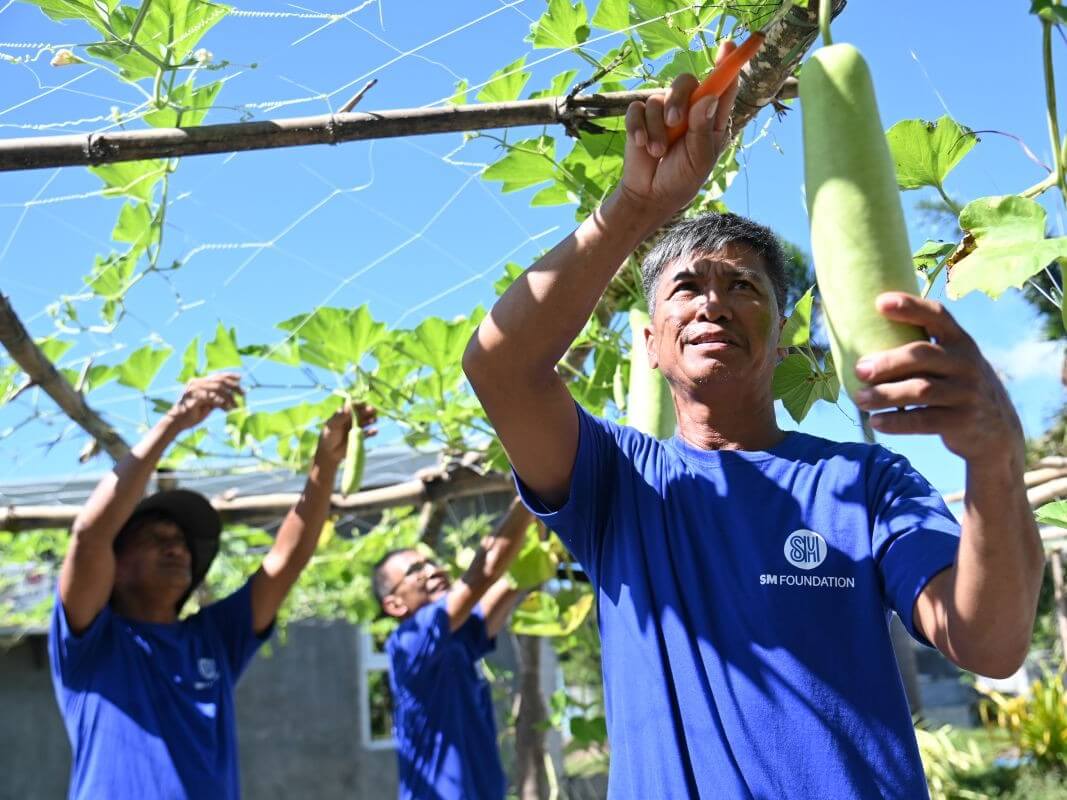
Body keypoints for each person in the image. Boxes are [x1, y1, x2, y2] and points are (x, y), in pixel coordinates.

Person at [461, 44, 1045, 800]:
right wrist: (636, 207)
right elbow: (497, 367)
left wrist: (993, 462)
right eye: (685, 286)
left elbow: (989, 643)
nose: (712, 301)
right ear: (646, 342)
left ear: (785, 335)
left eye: (742, 286)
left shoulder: (863, 481)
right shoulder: (617, 483)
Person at [49, 372, 376, 800]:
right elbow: (90, 535)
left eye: (182, 542)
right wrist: (175, 422)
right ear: (114, 562)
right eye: (156, 538)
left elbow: (284, 562)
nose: (177, 549)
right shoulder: (89, 642)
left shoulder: (213, 639)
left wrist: (326, 463)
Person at [373, 497, 533, 800]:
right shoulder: (410, 641)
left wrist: (544, 528)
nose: (433, 570)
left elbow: (514, 578)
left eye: (431, 562)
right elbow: (485, 571)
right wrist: (528, 495)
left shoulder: (455, 642)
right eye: (415, 570)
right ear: (394, 604)